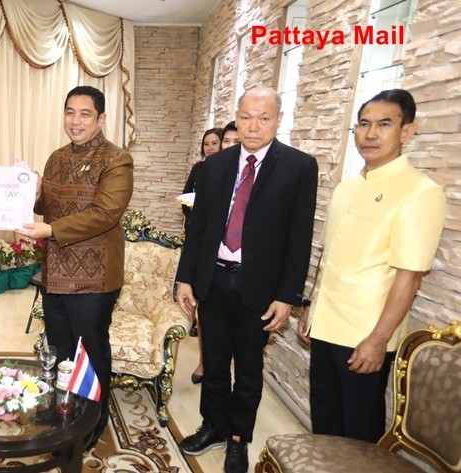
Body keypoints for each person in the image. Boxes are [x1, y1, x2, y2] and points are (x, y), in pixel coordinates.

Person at [175, 86, 318, 473]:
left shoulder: (299, 167)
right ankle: (213, 426)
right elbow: (199, 228)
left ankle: (239, 438)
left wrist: (288, 296)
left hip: (260, 289)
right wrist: (185, 278)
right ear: (236, 119)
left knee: (249, 369)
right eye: (246, 117)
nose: (254, 126)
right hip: (214, 280)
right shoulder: (216, 166)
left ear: (278, 120)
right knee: (214, 362)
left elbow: (299, 238)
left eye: (264, 118)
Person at [298, 89, 445, 443]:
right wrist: (310, 308)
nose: (371, 134)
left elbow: (409, 277)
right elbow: (328, 255)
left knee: (360, 434)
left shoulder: (420, 192)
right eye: (364, 124)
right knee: (325, 422)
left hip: (364, 335)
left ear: (407, 132)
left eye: (384, 124)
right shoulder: (346, 188)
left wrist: (378, 341)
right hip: (325, 325)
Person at [16, 85, 134, 450]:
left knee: (91, 351)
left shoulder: (116, 160)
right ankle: (62, 409)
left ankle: (93, 418)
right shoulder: (56, 158)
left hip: (94, 278)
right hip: (56, 272)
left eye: (85, 114)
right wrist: (33, 192)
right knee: (60, 349)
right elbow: (46, 207)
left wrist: (52, 230)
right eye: (70, 112)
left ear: (101, 119)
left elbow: (105, 213)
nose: (76, 121)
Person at [180, 127, 224, 385]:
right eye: (206, 143)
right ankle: (203, 357)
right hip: (197, 234)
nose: (210, 147)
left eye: (214, 142)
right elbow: (187, 197)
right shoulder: (199, 169)